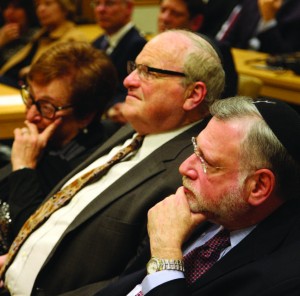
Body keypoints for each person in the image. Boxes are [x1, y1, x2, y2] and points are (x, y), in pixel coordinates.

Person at [0, 29, 225, 295]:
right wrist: (17, 259)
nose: (128, 80)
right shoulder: (133, 129)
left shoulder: (188, 172)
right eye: (134, 68)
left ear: (193, 95)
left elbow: (134, 282)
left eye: (148, 72)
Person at [95, 96, 300, 296]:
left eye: (207, 163)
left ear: (258, 187)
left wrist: (166, 256)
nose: (184, 167)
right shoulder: (202, 208)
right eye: (196, 149)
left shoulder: (285, 278)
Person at [0, 41, 118, 251]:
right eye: (31, 98)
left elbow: (29, 244)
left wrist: (23, 169)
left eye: (46, 107)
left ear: (85, 116)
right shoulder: (43, 140)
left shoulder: (85, 171)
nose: (30, 115)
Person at [157, 0, 238, 99]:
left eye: (176, 14)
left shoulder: (215, 52)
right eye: (163, 10)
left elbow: (223, 101)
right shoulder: (153, 46)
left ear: (196, 22)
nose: (164, 18)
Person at [0, 0, 87, 88]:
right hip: (12, 81)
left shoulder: (74, 38)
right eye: (38, 5)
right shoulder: (41, 34)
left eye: (48, 4)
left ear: (65, 9)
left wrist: (36, 70)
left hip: (31, 88)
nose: (41, 9)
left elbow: (72, 75)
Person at [91, 0, 147, 124]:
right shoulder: (97, 43)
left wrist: (110, 109)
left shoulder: (137, 45)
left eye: (109, 4)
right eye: (97, 3)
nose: (101, 9)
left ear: (128, 7)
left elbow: (128, 90)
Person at [223, 0, 300, 54]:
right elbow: (230, 37)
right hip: (238, 63)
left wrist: (269, 21)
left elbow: (286, 55)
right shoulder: (251, 2)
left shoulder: (296, 11)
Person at [0, 0, 39, 67]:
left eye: (16, 7)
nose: (9, 13)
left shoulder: (38, 36)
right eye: (5, 7)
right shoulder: (2, 33)